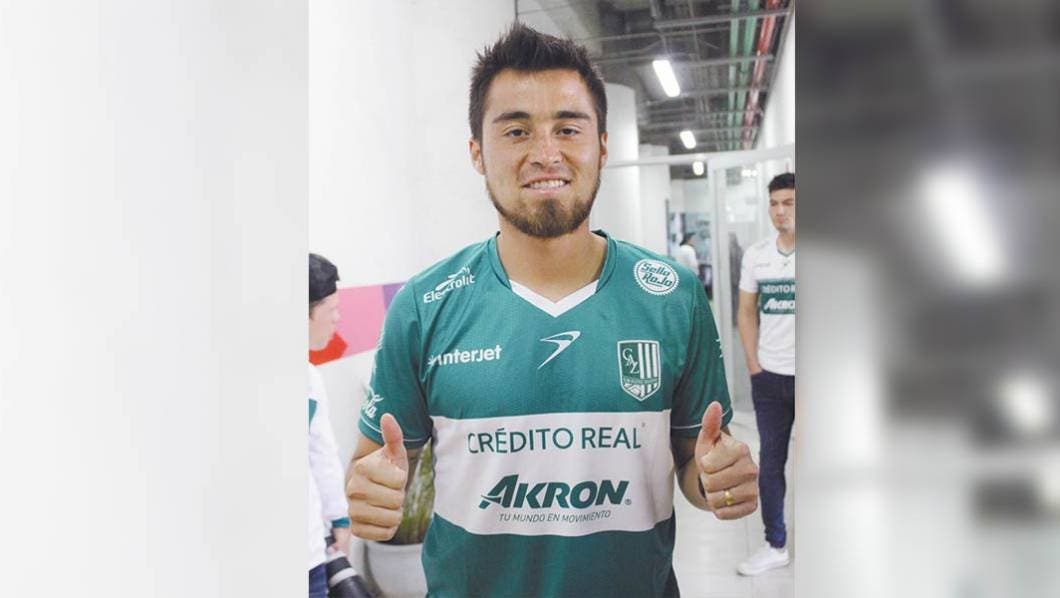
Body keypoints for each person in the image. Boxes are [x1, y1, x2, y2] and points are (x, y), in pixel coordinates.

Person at [346, 23, 758, 597]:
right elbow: (372, 463)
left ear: (602, 147)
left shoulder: (672, 296)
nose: (545, 155)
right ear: (477, 152)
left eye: (568, 128)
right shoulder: (424, 306)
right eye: (516, 131)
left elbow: (695, 463)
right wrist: (369, 493)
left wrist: (716, 480)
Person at [735, 172, 796, 576]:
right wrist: (753, 365)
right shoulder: (756, 255)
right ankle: (775, 544)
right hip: (770, 378)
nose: (779, 211)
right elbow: (745, 311)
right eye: (774, 203)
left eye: (789, 203)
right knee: (770, 463)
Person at [308, 253, 353, 598]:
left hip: (310, 551)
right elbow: (322, 454)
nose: (338, 319)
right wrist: (339, 520)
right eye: (332, 309)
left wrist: (338, 518)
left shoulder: (310, 379)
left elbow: (321, 454)